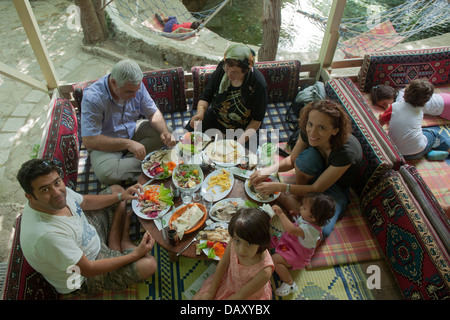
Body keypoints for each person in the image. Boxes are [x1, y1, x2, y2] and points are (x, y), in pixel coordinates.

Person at [17, 158, 157, 296]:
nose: (56, 192)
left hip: (87, 233)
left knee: (117, 191)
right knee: (149, 264)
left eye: (57, 182)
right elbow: (87, 269)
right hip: (83, 275)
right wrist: (135, 254)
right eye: (45, 189)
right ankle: (122, 242)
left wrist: (121, 196)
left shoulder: (57, 192)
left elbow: (85, 202)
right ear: (29, 196)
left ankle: (115, 244)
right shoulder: (47, 235)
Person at [249, 99, 363, 237]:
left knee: (322, 231)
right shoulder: (307, 132)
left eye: (321, 127)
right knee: (306, 159)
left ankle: (288, 199)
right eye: (310, 124)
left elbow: (317, 188)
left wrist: (281, 187)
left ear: (335, 130)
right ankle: (298, 198)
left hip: (335, 188)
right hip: (314, 174)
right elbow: (292, 160)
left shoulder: (346, 153)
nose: (312, 132)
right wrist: (266, 171)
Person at [81, 59, 175, 185]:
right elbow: (89, 140)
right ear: (114, 82)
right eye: (129, 92)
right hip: (106, 144)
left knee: (167, 131)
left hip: (133, 131)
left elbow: (152, 112)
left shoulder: (136, 86)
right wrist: (128, 144)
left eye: (137, 90)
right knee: (107, 174)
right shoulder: (92, 98)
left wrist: (164, 132)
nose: (135, 95)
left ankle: (136, 161)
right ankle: (152, 163)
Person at [185, 44, 268, 146]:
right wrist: (200, 113)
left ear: (246, 70)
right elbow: (206, 95)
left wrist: (239, 143)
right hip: (216, 118)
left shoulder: (258, 84)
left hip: (243, 128)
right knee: (187, 139)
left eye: (235, 73)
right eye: (227, 69)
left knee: (242, 157)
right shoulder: (222, 69)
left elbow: (257, 120)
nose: (228, 75)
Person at [192, 208, 274, 300]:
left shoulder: (265, 271)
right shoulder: (234, 239)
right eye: (237, 241)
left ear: (261, 240)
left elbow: (240, 296)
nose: (241, 250)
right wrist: (211, 292)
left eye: (249, 243)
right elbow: (223, 263)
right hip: (230, 281)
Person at [270, 193, 335, 296]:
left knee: (274, 260)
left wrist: (281, 214)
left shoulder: (310, 230)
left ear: (313, 218)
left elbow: (291, 229)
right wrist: (299, 212)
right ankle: (281, 248)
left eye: (304, 208)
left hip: (298, 255)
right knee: (274, 237)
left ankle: (289, 283)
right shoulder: (310, 220)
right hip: (293, 243)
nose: (301, 208)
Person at [381, 79, 450, 160]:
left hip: (394, 151)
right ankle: (445, 151)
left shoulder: (394, 106)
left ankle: (430, 151)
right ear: (425, 102)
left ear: (405, 92)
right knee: (433, 134)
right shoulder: (419, 112)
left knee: (416, 136)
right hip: (416, 153)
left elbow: (378, 124)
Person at [371, 83, 450, 123]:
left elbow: (396, 118)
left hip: (443, 108)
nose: (385, 107)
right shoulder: (402, 91)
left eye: (384, 103)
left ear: (389, 95)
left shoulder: (400, 103)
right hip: (443, 97)